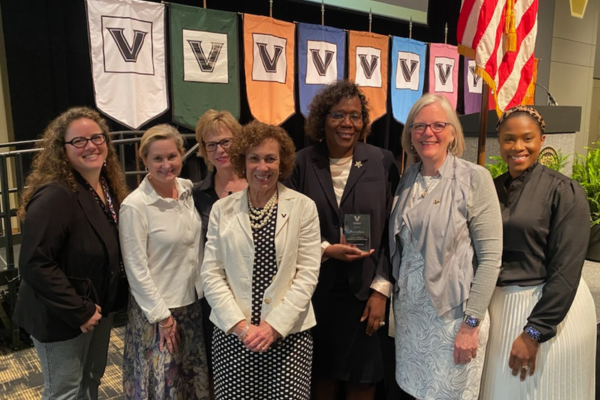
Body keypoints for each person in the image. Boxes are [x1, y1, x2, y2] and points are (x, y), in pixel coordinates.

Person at [285, 80, 400, 400]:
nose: (347, 123)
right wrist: (325, 249)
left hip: (366, 293)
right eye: (338, 115)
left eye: (355, 115)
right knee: (321, 378)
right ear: (322, 119)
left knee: (363, 380)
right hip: (314, 291)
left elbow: (395, 231)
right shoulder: (301, 163)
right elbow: (289, 227)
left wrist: (381, 289)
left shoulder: (382, 161)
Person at [389, 93, 502, 400]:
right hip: (411, 317)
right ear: (410, 134)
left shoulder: (474, 178)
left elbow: (491, 259)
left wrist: (471, 324)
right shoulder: (407, 178)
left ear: (453, 132)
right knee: (412, 392)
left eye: (439, 124)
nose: (429, 132)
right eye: (420, 126)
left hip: (453, 321)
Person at [480, 106, 596, 399]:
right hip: (500, 310)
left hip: (546, 312)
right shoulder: (491, 189)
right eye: (509, 139)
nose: (518, 147)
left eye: (527, 138)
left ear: (541, 139)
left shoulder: (563, 190)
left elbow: (567, 270)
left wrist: (535, 332)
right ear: (499, 142)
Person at [201, 121, 321, 400]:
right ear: (243, 161)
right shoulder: (222, 209)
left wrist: (273, 327)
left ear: (283, 162)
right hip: (233, 336)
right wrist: (242, 328)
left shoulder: (304, 207)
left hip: (288, 337)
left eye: (270, 158)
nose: (262, 167)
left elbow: (307, 275)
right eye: (254, 158)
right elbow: (211, 273)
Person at [14, 106, 128, 400]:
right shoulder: (55, 194)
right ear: (62, 149)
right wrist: (80, 310)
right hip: (62, 313)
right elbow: (34, 262)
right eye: (79, 141)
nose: (90, 145)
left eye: (96, 137)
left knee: (91, 378)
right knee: (64, 390)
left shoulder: (105, 185)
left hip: (97, 305)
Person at [119, 124, 209, 400]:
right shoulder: (135, 206)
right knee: (163, 388)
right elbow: (136, 270)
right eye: (157, 158)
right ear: (143, 159)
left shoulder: (188, 191)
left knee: (192, 385)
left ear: (182, 155)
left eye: (172, 156)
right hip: (159, 313)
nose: (166, 165)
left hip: (193, 305)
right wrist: (163, 318)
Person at [192, 110, 247, 397]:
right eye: (211, 145)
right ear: (204, 150)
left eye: (226, 141)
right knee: (219, 372)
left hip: (257, 292)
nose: (220, 150)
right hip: (214, 298)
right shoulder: (196, 194)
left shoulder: (262, 183)